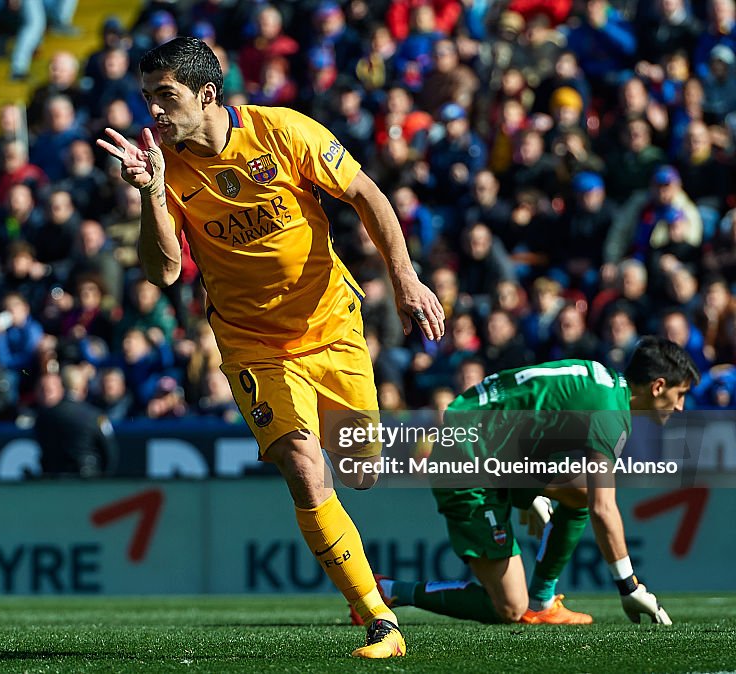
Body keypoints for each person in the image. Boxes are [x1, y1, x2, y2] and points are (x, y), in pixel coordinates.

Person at [97, 37, 444, 659]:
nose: (153, 111)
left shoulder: (282, 133)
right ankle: (378, 620)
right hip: (252, 343)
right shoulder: (165, 167)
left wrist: (406, 280)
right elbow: (165, 272)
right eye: (147, 97)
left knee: (361, 471)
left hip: (330, 325)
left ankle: (391, 572)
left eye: (165, 96)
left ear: (206, 94)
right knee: (304, 469)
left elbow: (367, 195)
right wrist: (149, 193)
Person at [366, 337, 696, 626]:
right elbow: (603, 508)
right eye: (679, 394)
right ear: (658, 387)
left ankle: (543, 602)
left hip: (486, 444)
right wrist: (629, 586)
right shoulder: (611, 414)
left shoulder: (601, 382)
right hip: (467, 459)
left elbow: (529, 409)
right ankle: (388, 591)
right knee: (511, 607)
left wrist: (532, 487)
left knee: (580, 490)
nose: (681, 406)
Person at [33, 371, 116, 477]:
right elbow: (109, 451)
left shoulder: (45, 416)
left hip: (54, 479)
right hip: (87, 477)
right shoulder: (94, 415)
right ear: (84, 388)